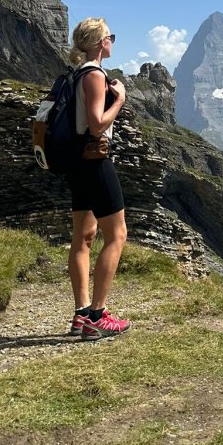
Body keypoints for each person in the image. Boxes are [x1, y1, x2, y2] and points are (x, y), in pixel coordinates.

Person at [65, 17, 132, 341]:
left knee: (84, 235)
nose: (112, 41)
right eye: (110, 36)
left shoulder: (76, 73)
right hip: (95, 160)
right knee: (117, 235)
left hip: (77, 161)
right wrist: (119, 99)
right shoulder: (93, 74)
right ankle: (97, 316)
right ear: (98, 42)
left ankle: (81, 314)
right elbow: (96, 124)